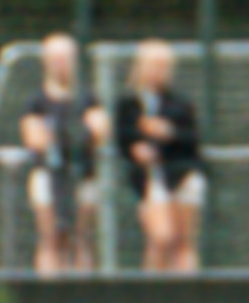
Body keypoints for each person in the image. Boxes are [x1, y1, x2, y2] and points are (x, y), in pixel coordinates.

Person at [110, 41, 203, 273]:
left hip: (180, 171)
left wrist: (168, 133)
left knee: (183, 240)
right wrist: (137, 145)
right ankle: (152, 296)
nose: (159, 71)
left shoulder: (180, 103)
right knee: (161, 237)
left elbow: (192, 139)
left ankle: (188, 298)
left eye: (164, 66)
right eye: (153, 65)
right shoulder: (129, 104)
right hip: (149, 177)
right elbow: (122, 136)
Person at [18, 33, 103, 276]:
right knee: (51, 236)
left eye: (65, 58)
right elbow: (35, 138)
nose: (60, 64)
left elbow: (98, 130)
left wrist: (65, 134)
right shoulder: (36, 101)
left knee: (81, 236)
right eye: (55, 58)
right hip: (48, 174)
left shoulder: (86, 98)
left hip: (82, 173)